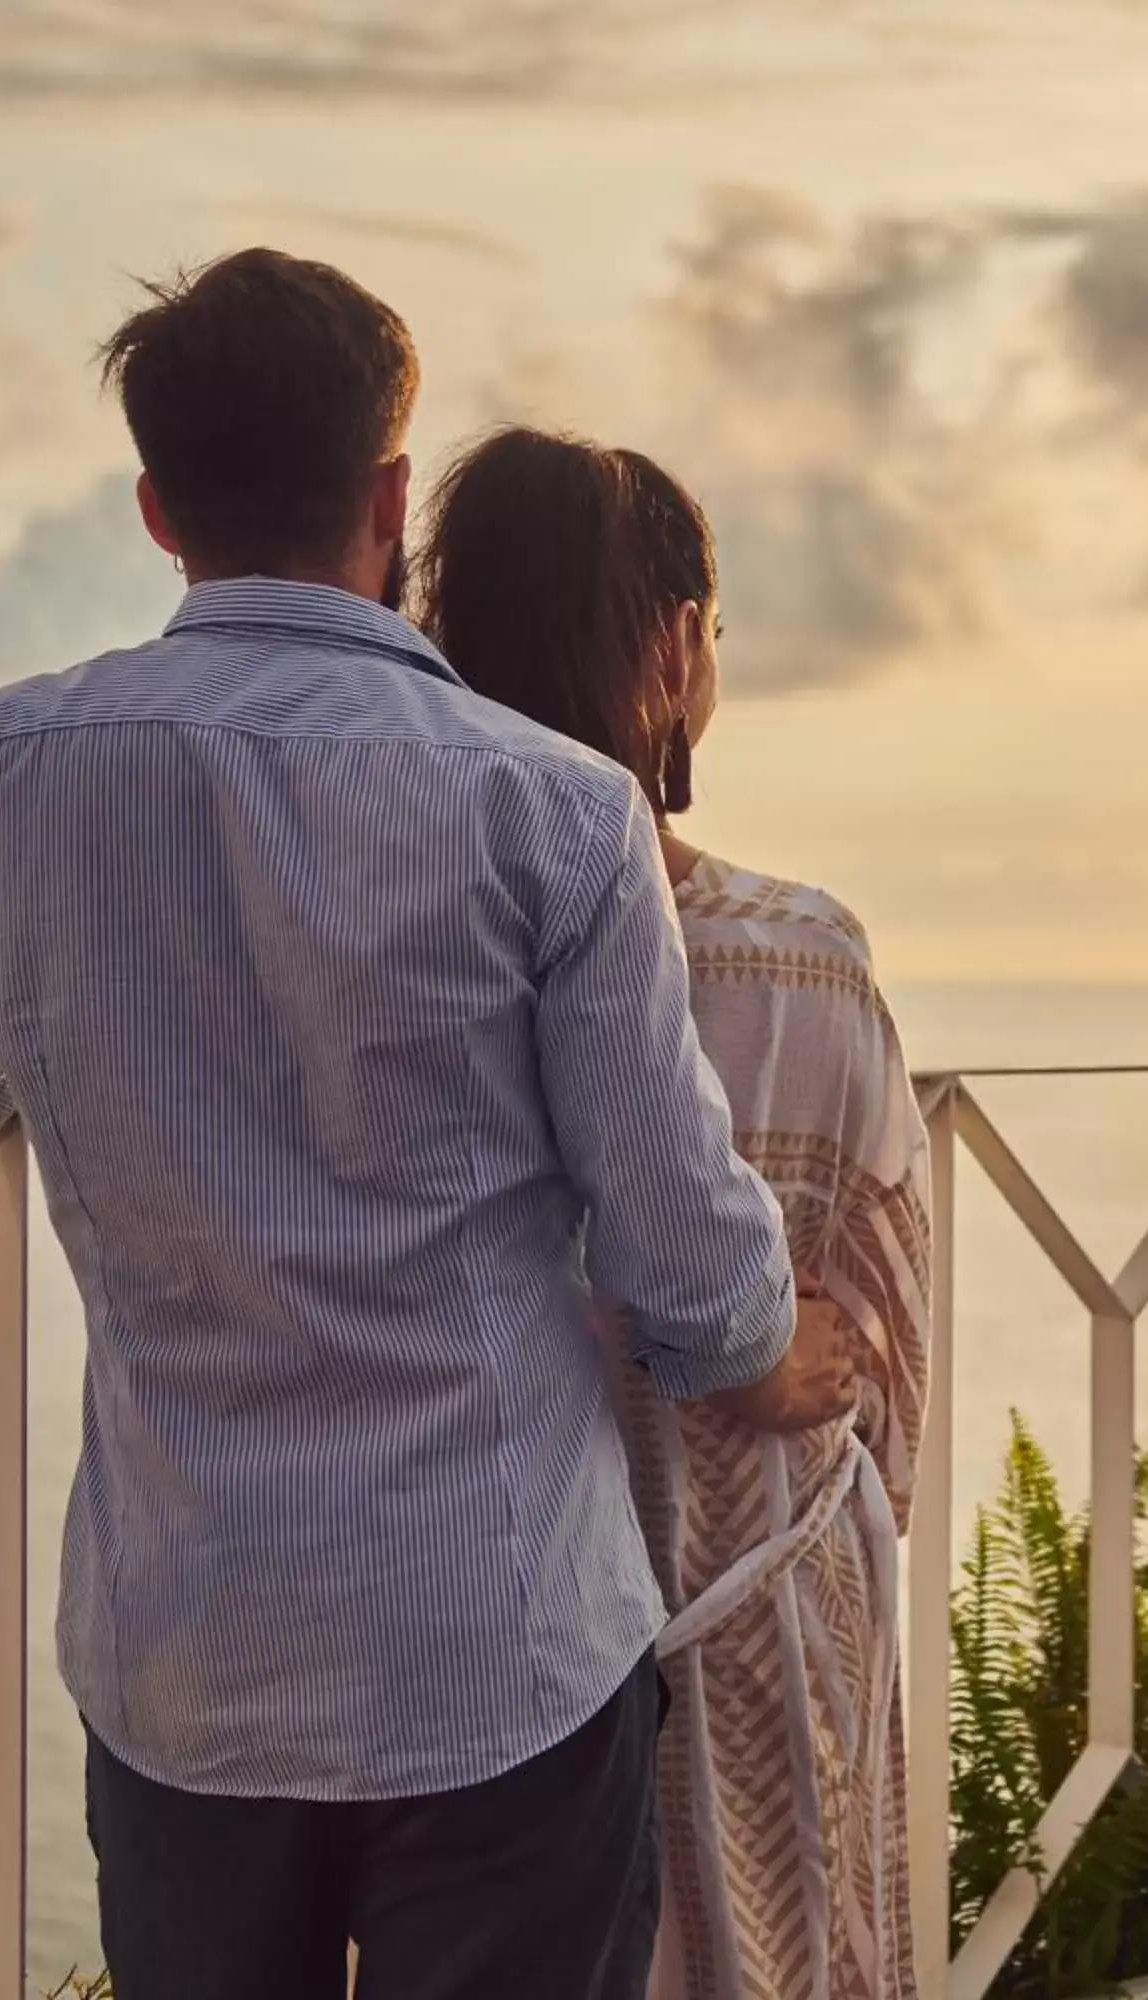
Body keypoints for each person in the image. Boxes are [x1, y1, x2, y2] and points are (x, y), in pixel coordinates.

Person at [0, 250, 862, 2000]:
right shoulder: (551, 809)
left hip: (191, 1662)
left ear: (157, 509)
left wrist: (107, 993)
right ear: (388, 494)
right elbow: (691, 1267)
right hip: (504, 1656)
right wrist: (775, 1361)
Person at [415, 426, 933, 2000]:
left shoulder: (395, 940)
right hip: (751, 1631)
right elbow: (885, 1377)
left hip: (470, 1634)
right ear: (670, 647)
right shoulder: (800, 959)